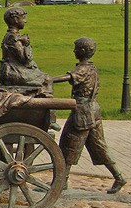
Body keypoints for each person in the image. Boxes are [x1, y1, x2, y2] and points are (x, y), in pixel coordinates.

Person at [53, 37, 126, 194]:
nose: (74, 51)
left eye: (76, 48)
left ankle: (62, 181)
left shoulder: (84, 69)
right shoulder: (92, 68)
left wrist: (49, 80)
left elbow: (69, 77)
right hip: (93, 110)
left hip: (83, 112)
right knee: (99, 146)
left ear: (82, 51)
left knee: (69, 144)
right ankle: (119, 177)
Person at [0, 7, 53, 96]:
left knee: (43, 76)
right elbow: (25, 59)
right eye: (23, 18)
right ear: (15, 19)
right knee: (47, 79)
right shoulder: (13, 38)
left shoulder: (13, 36)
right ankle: (46, 103)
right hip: (13, 72)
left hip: (11, 71)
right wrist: (26, 44)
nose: (25, 21)